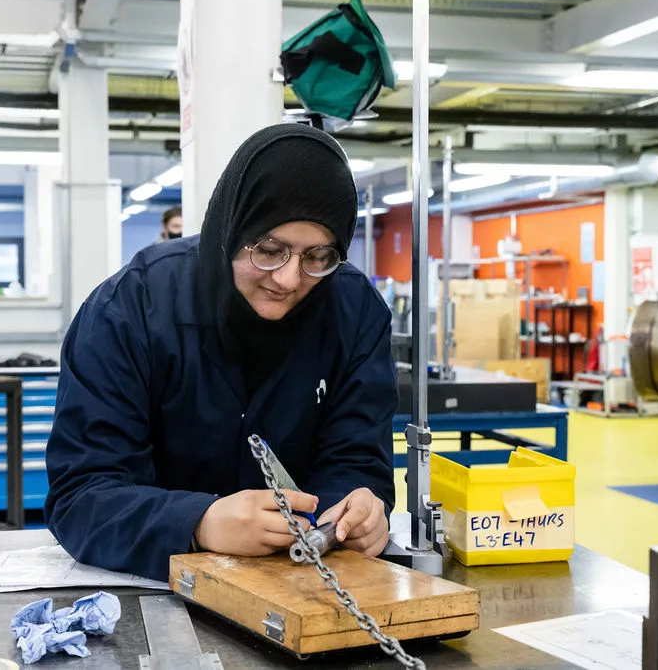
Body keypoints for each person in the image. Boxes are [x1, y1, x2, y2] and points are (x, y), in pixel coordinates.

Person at [44, 123, 396, 581]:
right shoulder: (130, 310)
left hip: (305, 588)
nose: (288, 279)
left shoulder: (353, 312)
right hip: (151, 586)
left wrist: (358, 507)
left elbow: (357, 458)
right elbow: (81, 495)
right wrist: (198, 522)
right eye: (269, 250)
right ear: (230, 230)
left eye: (318, 256)